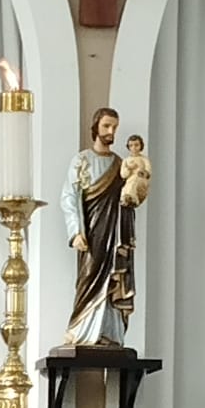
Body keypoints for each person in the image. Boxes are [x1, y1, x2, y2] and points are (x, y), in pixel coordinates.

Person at [62, 108, 144, 347]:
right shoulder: (82, 160)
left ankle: (109, 331)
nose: (111, 131)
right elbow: (69, 197)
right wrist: (75, 232)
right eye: (107, 126)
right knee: (89, 278)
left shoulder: (120, 164)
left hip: (115, 233)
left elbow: (128, 196)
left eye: (114, 127)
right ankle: (80, 329)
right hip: (92, 233)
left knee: (113, 279)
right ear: (96, 126)